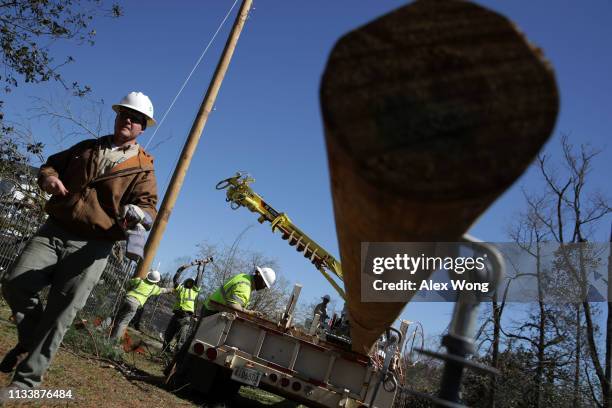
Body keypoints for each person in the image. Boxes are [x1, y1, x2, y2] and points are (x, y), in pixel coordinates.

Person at [0, 92, 158, 394]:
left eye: (135, 118)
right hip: (54, 230)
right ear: (117, 116)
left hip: (94, 246)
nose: (128, 119)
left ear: (142, 128)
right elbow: (49, 166)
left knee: (61, 313)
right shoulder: (86, 148)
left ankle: (26, 382)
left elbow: (149, 208)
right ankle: (32, 340)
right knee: (14, 282)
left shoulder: (143, 168)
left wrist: (139, 213)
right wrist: (47, 179)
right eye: (124, 113)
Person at [163, 258, 212, 351]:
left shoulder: (194, 290)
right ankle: (165, 351)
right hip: (176, 315)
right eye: (189, 281)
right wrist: (181, 269)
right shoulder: (180, 288)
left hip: (185, 317)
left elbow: (199, 279)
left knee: (181, 339)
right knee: (168, 334)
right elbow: (175, 279)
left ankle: (175, 358)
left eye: (191, 282)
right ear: (186, 282)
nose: (190, 283)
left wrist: (200, 267)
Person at [109, 270, 171, 342]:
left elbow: (128, 282)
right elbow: (163, 290)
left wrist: (128, 289)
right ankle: (114, 341)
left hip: (126, 298)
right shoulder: (154, 288)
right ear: (156, 281)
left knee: (115, 315)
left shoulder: (139, 280)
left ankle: (100, 328)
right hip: (134, 304)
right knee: (123, 322)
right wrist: (171, 290)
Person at [201, 266, 276, 318]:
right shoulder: (245, 287)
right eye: (264, 284)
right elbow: (234, 306)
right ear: (259, 277)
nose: (264, 287)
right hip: (211, 313)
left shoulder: (243, 276)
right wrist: (250, 313)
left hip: (208, 307)